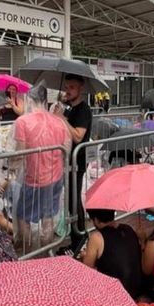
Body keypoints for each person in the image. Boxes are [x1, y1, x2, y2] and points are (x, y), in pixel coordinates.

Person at [13, 83, 71, 251]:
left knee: (23, 215)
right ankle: (46, 250)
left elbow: (19, 153)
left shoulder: (23, 122)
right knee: (48, 216)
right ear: (46, 100)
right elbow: (66, 150)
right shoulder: (59, 122)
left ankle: (28, 248)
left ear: (29, 99)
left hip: (34, 178)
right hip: (55, 177)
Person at [56, 75, 92, 249]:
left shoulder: (84, 110)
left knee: (74, 200)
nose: (67, 91)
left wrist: (62, 119)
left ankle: (80, 238)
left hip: (78, 161)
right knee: (71, 201)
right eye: (66, 87)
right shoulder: (69, 108)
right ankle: (76, 237)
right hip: (67, 160)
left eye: (71, 87)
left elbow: (78, 135)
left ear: (80, 89)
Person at [81, 208, 142, 298]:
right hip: (136, 288)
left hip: (116, 293)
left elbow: (86, 269)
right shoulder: (128, 228)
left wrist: (85, 255)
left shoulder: (96, 237)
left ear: (96, 220)